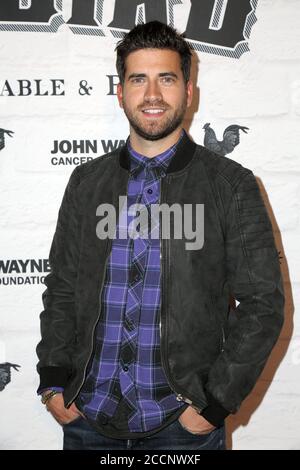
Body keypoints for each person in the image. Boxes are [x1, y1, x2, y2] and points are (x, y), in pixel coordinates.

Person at [36, 20, 285, 451]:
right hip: (86, 420)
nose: (152, 95)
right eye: (139, 80)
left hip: (182, 427)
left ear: (189, 92)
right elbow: (62, 287)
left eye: (166, 79)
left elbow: (263, 303)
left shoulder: (230, 184)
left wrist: (213, 404)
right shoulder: (86, 181)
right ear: (120, 92)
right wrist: (54, 382)